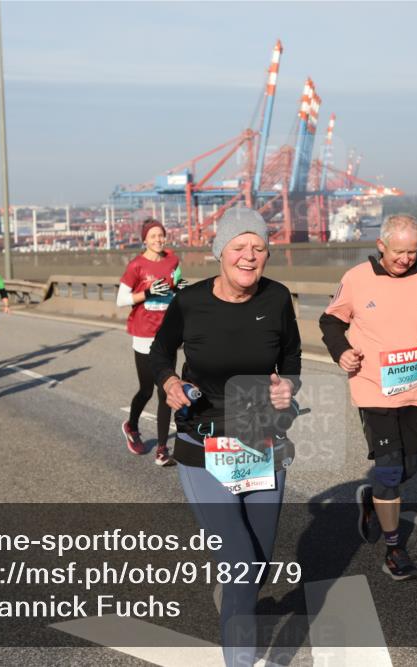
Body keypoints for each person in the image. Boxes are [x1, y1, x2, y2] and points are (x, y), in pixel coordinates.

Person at [149, 206, 301, 667]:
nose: (249, 256)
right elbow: (160, 350)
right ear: (220, 252)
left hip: (259, 441)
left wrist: (288, 385)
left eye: (259, 247)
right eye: (239, 246)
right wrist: (169, 382)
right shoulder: (190, 302)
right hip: (203, 445)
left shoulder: (277, 298)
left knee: (257, 564)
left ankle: (235, 596)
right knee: (240, 566)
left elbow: (291, 355)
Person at [320, 214, 417, 580]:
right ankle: (394, 548)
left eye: (412, 252)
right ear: (381, 245)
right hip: (373, 387)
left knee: (408, 468)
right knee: (389, 469)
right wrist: (341, 351)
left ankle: (372, 498)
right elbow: (331, 321)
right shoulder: (357, 279)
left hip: (416, 388)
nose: (405, 259)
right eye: (398, 252)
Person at [116, 218, 186, 465]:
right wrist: (147, 293)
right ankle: (132, 425)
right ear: (144, 240)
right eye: (153, 236)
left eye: (161, 235)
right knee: (146, 390)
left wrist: (180, 289)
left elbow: (175, 285)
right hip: (144, 335)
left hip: (166, 334)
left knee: (166, 390)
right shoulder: (136, 265)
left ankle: (162, 449)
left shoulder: (172, 261)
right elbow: (121, 300)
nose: (158, 239)